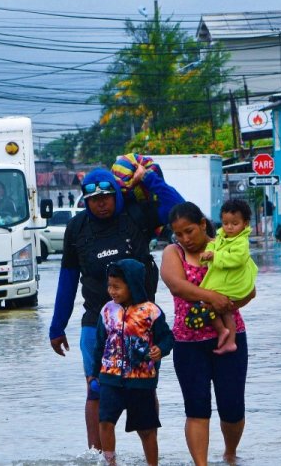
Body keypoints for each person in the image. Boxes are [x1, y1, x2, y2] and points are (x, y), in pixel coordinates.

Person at [48, 162, 184, 452]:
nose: (101, 204)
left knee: (145, 389)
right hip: (97, 321)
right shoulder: (77, 228)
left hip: (142, 323)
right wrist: (57, 326)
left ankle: (151, 457)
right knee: (96, 389)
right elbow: (68, 279)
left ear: (117, 194)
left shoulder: (136, 214)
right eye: (94, 200)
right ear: (85, 201)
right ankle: (99, 456)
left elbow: (179, 209)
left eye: (107, 197)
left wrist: (149, 179)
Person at [163, 202, 255, 466]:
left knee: (232, 406)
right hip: (188, 343)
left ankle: (229, 454)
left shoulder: (227, 246)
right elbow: (176, 285)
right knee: (196, 408)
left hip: (231, 336)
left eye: (189, 231)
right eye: (179, 234)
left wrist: (229, 304)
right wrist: (213, 297)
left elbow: (250, 287)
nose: (185, 239)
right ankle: (201, 464)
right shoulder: (173, 253)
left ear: (203, 224)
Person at [91, 259, 174, 466]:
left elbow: (167, 338)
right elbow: (99, 345)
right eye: (109, 286)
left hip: (141, 381)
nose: (112, 291)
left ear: (133, 284)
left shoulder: (150, 311)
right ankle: (111, 463)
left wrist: (160, 350)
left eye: (117, 287)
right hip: (109, 379)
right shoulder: (107, 311)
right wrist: (94, 374)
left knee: (146, 429)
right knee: (105, 422)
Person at [200, 199, 258, 355]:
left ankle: (229, 338)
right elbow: (212, 246)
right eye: (225, 223)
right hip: (223, 280)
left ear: (245, 223)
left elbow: (237, 258)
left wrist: (215, 256)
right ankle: (225, 334)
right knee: (216, 307)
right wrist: (207, 253)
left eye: (234, 223)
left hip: (232, 283)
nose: (229, 227)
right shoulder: (221, 236)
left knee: (220, 307)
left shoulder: (241, 242)